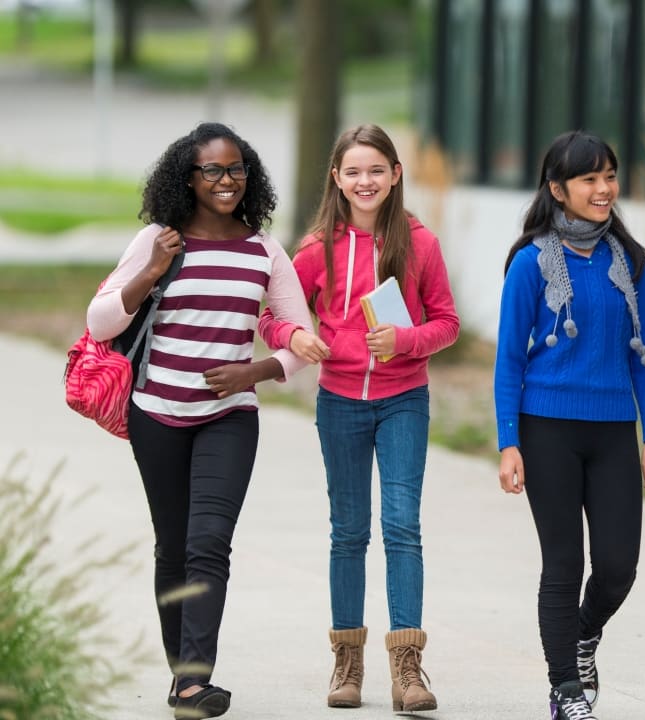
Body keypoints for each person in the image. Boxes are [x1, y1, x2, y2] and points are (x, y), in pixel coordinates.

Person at [86, 122, 317, 720]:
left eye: (236, 169)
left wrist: (256, 371)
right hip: (157, 413)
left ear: (251, 176)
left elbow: (301, 338)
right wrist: (148, 272)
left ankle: (193, 682)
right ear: (186, 178)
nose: (226, 180)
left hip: (229, 418)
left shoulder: (263, 250)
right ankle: (181, 673)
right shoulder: (157, 241)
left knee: (209, 542)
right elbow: (102, 320)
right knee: (173, 547)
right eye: (212, 170)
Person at [258, 124, 460, 712]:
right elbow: (272, 317)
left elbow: (447, 323)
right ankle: (346, 664)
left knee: (402, 526)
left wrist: (405, 339)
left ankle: (408, 668)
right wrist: (296, 333)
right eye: (353, 171)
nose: (365, 181)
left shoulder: (420, 243)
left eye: (376, 170)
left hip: (404, 401)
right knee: (348, 532)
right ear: (336, 179)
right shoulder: (317, 247)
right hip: (340, 401)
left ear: (396, 174)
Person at [494, 130, 645, 720]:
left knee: (619, 565)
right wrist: (508, 443)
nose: (604, 189)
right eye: (590, 179)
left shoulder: (631, 262)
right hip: (547, 430)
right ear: (557, 189)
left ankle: (584, 634)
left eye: (609, 176)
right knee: (563, 563)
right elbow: (509, 361)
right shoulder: (530, 263)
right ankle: (566, 687)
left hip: (614, 429)